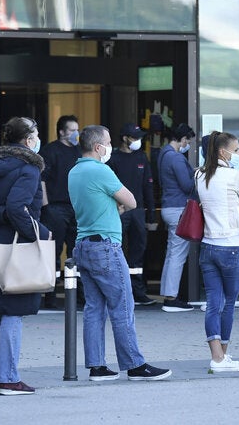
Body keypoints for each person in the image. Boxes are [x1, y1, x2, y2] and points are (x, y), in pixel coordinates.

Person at [69, 125, 171, 381]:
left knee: (94, 308)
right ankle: (135, 364)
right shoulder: (101, 170)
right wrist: (117, 204)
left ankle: (97, 366)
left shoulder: (75, 171)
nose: (110, 147)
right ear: (97, 147)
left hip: (83, 244)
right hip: (105, 245)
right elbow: (132, 201)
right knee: (122, 304)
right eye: (107, 143)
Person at [0, 117, 49, 395]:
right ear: (28, 140)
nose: (38, 139)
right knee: (14, 312)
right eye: (36, 135)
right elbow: (17, 209)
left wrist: (1, 213)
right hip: (17, 250)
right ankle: (8, 378)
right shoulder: (29, 168)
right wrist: (41, 233)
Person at [196, 131, 239, 373]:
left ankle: (216, 357)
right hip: (232, 245)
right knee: (228, 303)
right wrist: (236, 211)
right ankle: (222, 357)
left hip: (208, 245)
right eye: (236, 149)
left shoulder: (199, 175)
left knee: (213, 303)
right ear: (223, 152)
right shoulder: (234, 175)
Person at [107, 123, 155, 305]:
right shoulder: (113, 159)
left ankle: (138, 291)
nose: (138, 141)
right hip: (118, 210)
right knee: (114, 249)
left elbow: (148, 187)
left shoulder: (141, 157)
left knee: (138, 251)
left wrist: (151, 215)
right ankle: (115, 291)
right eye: (135, 137)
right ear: (125, 138)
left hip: (138, 211)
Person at [38, 114, 81, 309]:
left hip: (76, 208)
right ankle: (50, 295)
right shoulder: (50, 151)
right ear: (62, 132)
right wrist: (46, 206)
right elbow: (42, 179)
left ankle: (78, 294)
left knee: (77, 251)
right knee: (53, 252)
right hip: (56, 208)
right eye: (72, 130)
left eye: (77, 130)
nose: (76, 133)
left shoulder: (80, 151)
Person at [157, 123, 197, 312]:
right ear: (182, 139)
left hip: (168, 206)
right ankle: (171, 298)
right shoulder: (177, 158)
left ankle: (168, 294)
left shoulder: (163, 154)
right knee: (178, 255)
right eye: (188, 141)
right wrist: (197, 174)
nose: (187, 145)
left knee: (172, 253)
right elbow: (187, 185)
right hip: (178, 208)